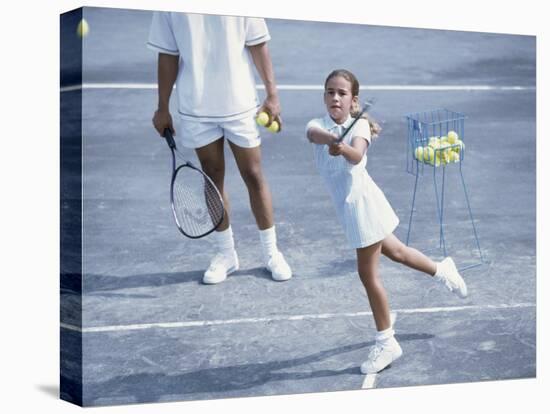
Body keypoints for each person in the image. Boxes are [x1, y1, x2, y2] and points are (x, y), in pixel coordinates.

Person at [305, 69, 468, 374]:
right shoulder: (318, 125)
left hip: (363, 206)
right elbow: (314, 134)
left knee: (368, 274)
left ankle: (387, 342)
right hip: (355, 205)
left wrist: (341, 147)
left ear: (353, 100)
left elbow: (356, 154)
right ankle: (441, 269)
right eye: (330, 92)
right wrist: (331, 137)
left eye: (342, 93)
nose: (335, 97)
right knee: (398, 252)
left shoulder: (361, 125)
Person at [148, 12, 292, 284]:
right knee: (212, 178)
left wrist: (272, 94)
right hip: (196, 106)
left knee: (253, 174)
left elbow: (258, 43)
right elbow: (167, 54)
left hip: (241, 104)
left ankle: (271, 252)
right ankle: (226, 254)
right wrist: (162, 106)